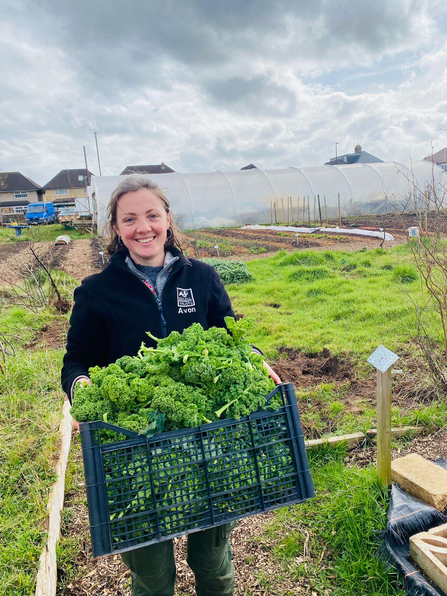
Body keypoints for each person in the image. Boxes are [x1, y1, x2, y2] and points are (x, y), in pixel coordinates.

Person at [61, 176, 280, 596]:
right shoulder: (96, 291)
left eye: (152, 215)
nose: (143, 227)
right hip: (133, 446)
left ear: (167, 220)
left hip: (209, 445)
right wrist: (82, 386)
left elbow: (227, 335)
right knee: (152, 574)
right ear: (116, 228)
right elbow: (76, 359)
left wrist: (253, 355)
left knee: (213, 563)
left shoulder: (202, 277)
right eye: (130, 219)